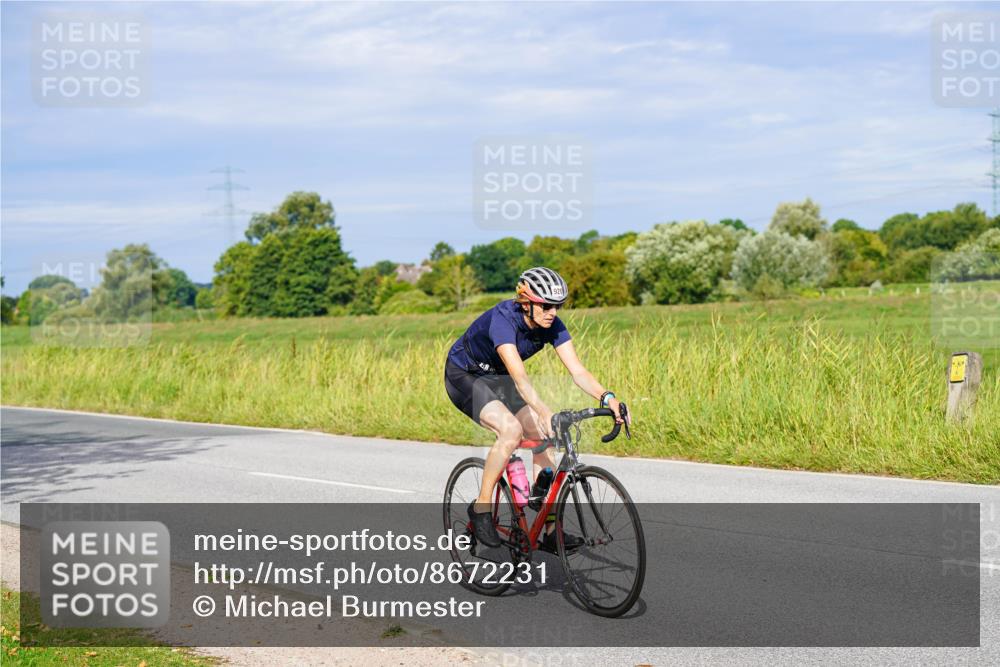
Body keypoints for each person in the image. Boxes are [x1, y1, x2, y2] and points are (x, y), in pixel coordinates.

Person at [443, 266, 627, 551]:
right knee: (511, 430)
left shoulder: (552, 325)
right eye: (546, 306)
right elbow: (519, 377)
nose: (552, 312)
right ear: (526, 302)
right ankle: (481, 508)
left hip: (499, 379)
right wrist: (543, 411)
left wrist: (607, 397)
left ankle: (551, 531)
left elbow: (578, 371)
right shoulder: (504, 320)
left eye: (557, 306)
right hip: (465, 375)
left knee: (543, 435)